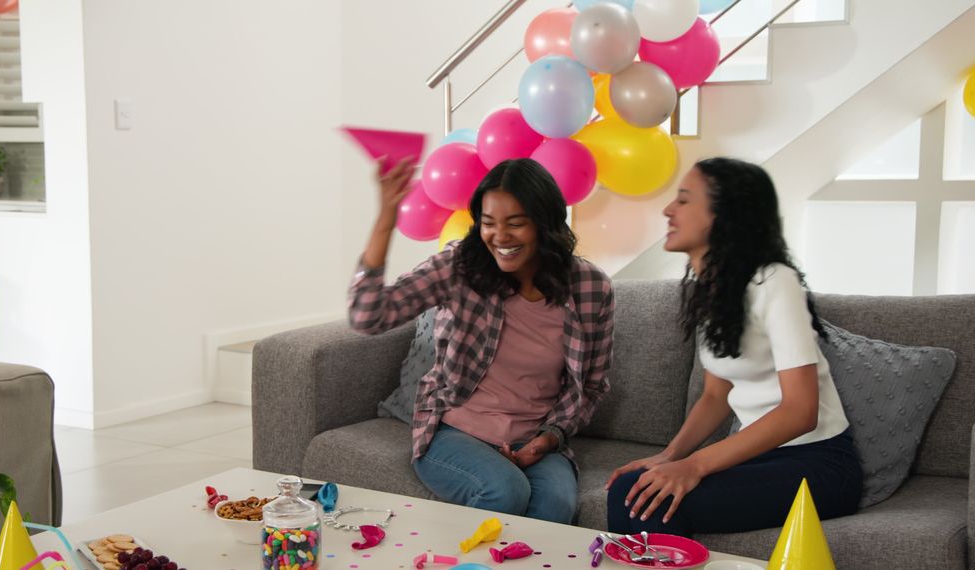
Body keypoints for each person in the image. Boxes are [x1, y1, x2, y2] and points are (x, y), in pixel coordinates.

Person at [349, 157, 614, 523]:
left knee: (556, 507)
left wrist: (551, 437)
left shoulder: (590, 287)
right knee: (506, 490)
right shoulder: (460, 267)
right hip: (454, 431)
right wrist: (386, 219)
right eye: (488, 223)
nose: (499, 237)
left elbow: (592, 386)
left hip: (535, 437)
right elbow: (368, 316)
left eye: (515, 223)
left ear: (545, 223)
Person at [606, 157, 861, 535]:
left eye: (684, 200)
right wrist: (669, 456)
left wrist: (695, 465)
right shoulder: (716, 292)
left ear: (722, 215)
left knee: (640, 498)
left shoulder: (775, 281)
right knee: (638, 487)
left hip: (819, 464)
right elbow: (715, 395)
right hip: (760, 456)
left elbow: (800, 411)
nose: (668, 210)